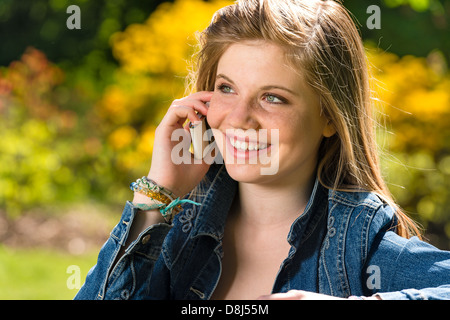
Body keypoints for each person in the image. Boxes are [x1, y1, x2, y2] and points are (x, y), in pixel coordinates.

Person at [75, 0, 450, 300]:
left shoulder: (358, 242)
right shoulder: (173, 226)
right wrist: (156, 193)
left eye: (273, 98)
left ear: (330, 118)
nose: (239, 119)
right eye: (227, 88)